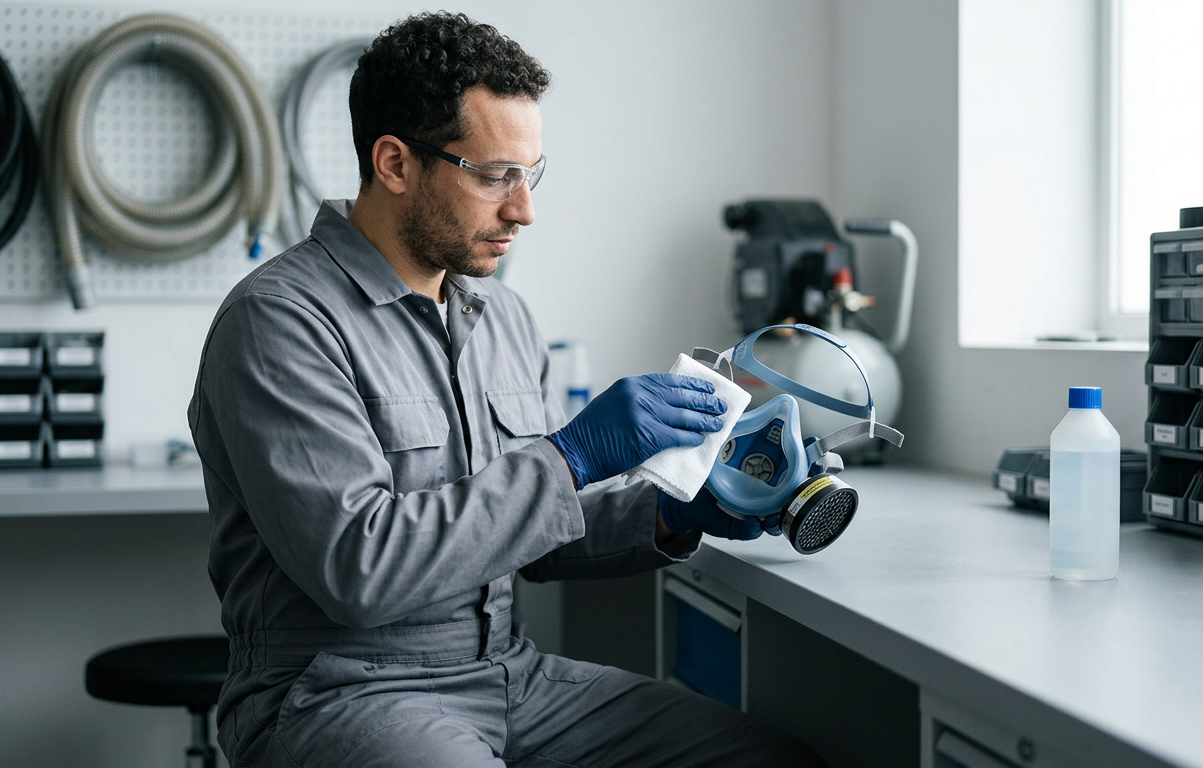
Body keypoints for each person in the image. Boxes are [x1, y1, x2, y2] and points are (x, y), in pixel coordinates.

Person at [188, 11, 823, 767]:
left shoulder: (501, 318)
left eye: (529, 174)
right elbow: (359, 570)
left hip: (506, 678)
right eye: (494, 176)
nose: (523, 209)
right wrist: (571, 457)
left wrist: (674, 514)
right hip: (337, 694)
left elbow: (530, 540)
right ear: (394, 164)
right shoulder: (281, 321)